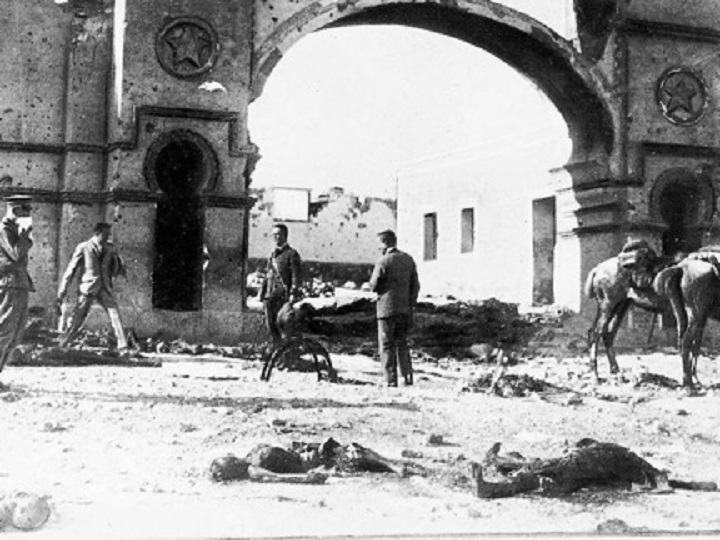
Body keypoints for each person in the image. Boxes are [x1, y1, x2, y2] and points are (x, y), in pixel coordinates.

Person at [57, 222, 129, 353]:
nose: (108, 237)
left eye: (109, 234)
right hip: (88, 287)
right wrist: (62, 290)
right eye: (105, 234)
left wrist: (119, 267)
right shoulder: (83, 247)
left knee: (115, 314)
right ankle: (64, 343)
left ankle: (123, 346)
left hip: (104, 287)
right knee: (78, 317)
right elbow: (71, 269)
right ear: (97, 233)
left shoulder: (110, 248)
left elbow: (115, 266)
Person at [369, 230, 420, 387]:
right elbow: (416, 286)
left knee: (387, 345)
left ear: (384, 243)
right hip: (404, 309)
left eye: (379, 244)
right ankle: (407, 377)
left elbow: (374, 285)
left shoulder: (383, 261)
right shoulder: (408, 260)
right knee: (403, 343)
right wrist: (410, 304)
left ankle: (390, 380)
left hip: (386, 310)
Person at [0, 195, 34, 376]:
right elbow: (17, 254)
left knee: (14, 334)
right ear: (15, 209)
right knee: (5, 331)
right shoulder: (5, 228)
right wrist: (24, 234)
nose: (29, 213)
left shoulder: (13, 228)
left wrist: (24, 236)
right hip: (9, 285)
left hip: (18, 284)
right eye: (25, 209)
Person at [259, 223, 302, 343]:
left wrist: (293, 292)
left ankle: (285, 352)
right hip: (269, 296)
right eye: (274, 235)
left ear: (285, 236)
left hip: (283, 296)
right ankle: (277, 352)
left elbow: (296, 276)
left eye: (279, 235)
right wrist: (262, 293)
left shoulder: (292, 254)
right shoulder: (272, 255)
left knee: (282, 325)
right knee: (270, 327)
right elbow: (267, 275)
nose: (276, 237)